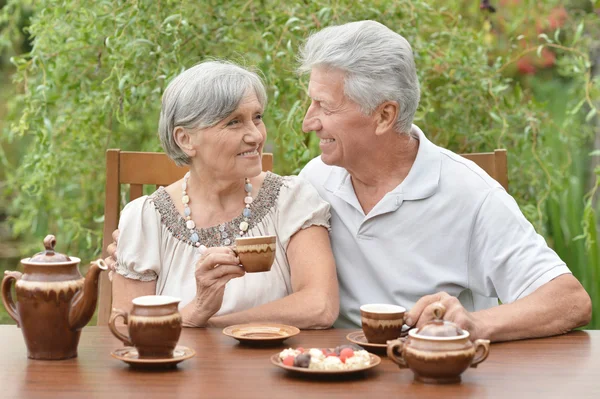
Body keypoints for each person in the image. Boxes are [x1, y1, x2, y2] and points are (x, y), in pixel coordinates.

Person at [296, 20, 591, 341]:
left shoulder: (470, 194)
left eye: (324, 106)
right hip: (338, 372)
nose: (308, 122)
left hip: (431, 374)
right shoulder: (315, 181)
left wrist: (476, 324)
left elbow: (569, 300)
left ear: (384, 116)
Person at [108, 61, 339, 329]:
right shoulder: (145, 218)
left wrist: (213, 324)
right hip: (179, 370)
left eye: (257, 117)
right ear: (185, 139)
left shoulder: (291, 199)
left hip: (275, 367)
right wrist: (197, 310)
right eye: (233, 122)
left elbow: (319, 306)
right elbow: (125, 328)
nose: (255, 136)